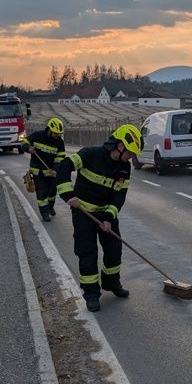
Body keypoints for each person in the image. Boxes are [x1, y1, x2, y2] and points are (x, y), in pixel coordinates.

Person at [55, 124, 143, 312]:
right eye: (130, 153)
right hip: (83, 213)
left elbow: (119, 196)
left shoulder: (124, 168)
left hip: (105, 214)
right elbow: (64, 166)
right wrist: (69, 195)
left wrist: (108, 217)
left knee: (114, 249)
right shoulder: (89, 155)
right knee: (87, 253)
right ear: (119, 146)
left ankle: (111, 283)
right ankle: (91, 294)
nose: (131, 158)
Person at [24, 117, 66, 220]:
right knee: (41, 192)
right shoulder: (37, 135)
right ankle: (45, 213)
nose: (57, 135)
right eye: (55, 133)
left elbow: (60, 158)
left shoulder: (59, 142)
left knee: (52, 192)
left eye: (58, 134)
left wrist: (55, 169)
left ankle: (50, 207)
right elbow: (24, 141)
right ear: (49, 130)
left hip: (50, 172)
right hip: (38, 172)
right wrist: (28, 148)